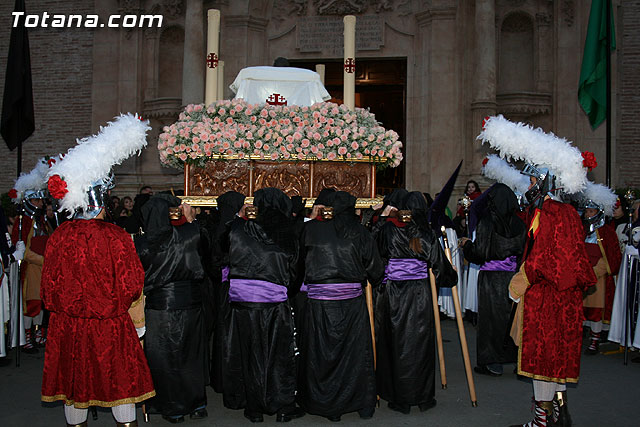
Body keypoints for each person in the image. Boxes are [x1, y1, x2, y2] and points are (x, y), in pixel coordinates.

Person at [478, 115, 597, 427]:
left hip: (548, 298)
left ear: (545, 180)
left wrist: (520, 282)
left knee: (543, 359)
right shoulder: (564, 212)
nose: (528, 185)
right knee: (556, 359)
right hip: (563, 299)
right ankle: (557, 412)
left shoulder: (552, 213)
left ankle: (542, 421)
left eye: (532, 180)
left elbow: (544, 259)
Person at [41, 113, 155, 427]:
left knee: (75, 390)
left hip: (70, 328)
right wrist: (130, 318)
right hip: (110, 327)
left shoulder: (58, 237)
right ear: (99, 201)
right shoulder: (117, 236)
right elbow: (133, 283)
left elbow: (48, 291)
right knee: (121, 388)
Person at [297, 191, 384, 422]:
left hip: (319, 304)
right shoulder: (360, 232)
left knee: (322, 355)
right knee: (354, 355)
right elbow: (376, 270)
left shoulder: (310, 230)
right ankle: (361, 404)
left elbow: (297, 266)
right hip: (351, 305)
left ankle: (329, 407)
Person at [225, 188, 304, 422]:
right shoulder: (287, 233)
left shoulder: (237, 229)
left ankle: (254, 408)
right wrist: (280, 292)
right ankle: (282, 407)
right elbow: (295, 273)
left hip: (243, 305)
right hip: (274, 303)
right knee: (279, 356)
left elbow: (220, 258)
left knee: (250, 354)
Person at [375, 191, 457, 414]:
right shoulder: (426, 234)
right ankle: (422, 397)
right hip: (419, 294)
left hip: (394, 294)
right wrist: (451, 275)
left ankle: (399, 397)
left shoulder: (388, 230)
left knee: (396, 343)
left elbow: (376, 256)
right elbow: (442, 269)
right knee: (419, 344)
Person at [135, 194, 209, 423]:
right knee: (191, 354)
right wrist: (191, 220)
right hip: (190, 303)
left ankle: (173, 407)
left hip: (161, 307)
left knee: (165, 358)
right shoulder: (189, 234)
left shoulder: (142, 243)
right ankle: (197, 404)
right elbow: (206, 247)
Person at [460, 183, 526, 376]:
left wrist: (467, 246)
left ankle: (491, 362)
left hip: (491, 277)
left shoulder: (487, 222)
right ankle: (514, 358)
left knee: (490, 320)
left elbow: (480, 253)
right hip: (513, 276)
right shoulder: (519, 223)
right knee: (511, 318)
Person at [10, 159, 53, 352]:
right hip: (31, 269)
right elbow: (22, 250)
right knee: (31, 304)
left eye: (41, 200)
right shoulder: (23, 222)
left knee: (42, 304)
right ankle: (27, 335)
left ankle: (38, 333)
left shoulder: (43, 221)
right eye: (36, 200)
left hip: (45, 269)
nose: (40, 204)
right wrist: (42, 260)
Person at [580, 195, 621, 354]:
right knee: (581, 308)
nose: (588, 214)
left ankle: (595, 339)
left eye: (591, 211)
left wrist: (596, 271)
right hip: (583, 273)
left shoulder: (608, 232)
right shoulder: (582, 230)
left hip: (598, 276)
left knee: (596, 309)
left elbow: (611, 256)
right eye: (587, 211)